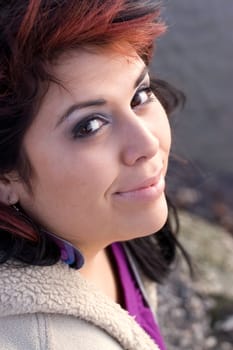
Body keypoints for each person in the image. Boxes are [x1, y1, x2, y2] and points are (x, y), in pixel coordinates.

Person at [0, 1, 186, 349]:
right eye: (90, 125)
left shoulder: (100, 220)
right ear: (5, 178)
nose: (146, 143)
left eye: (139, 96)